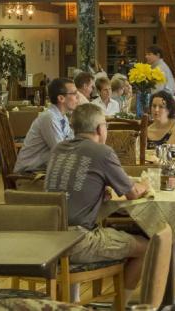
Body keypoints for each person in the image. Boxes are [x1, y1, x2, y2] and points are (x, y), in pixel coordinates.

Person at [45, 103, 149, 303]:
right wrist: (145, 184)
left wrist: (98, 192)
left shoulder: (58, 149)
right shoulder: (103, 152)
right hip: (78, 242)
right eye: (106, 126)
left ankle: (71, 303)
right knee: (148, 246)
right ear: (100, 129)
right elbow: (132, 194)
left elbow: (74, 186)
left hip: (50, 239)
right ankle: (120, 306)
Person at [14, 78, 77, 173]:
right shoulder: (49, 117)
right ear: (61, 98)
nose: (78, 97)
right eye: (74, 93)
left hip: (42, 169)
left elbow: (72, 142)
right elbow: (61, 151)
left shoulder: (62, 118)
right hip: (28, 173)